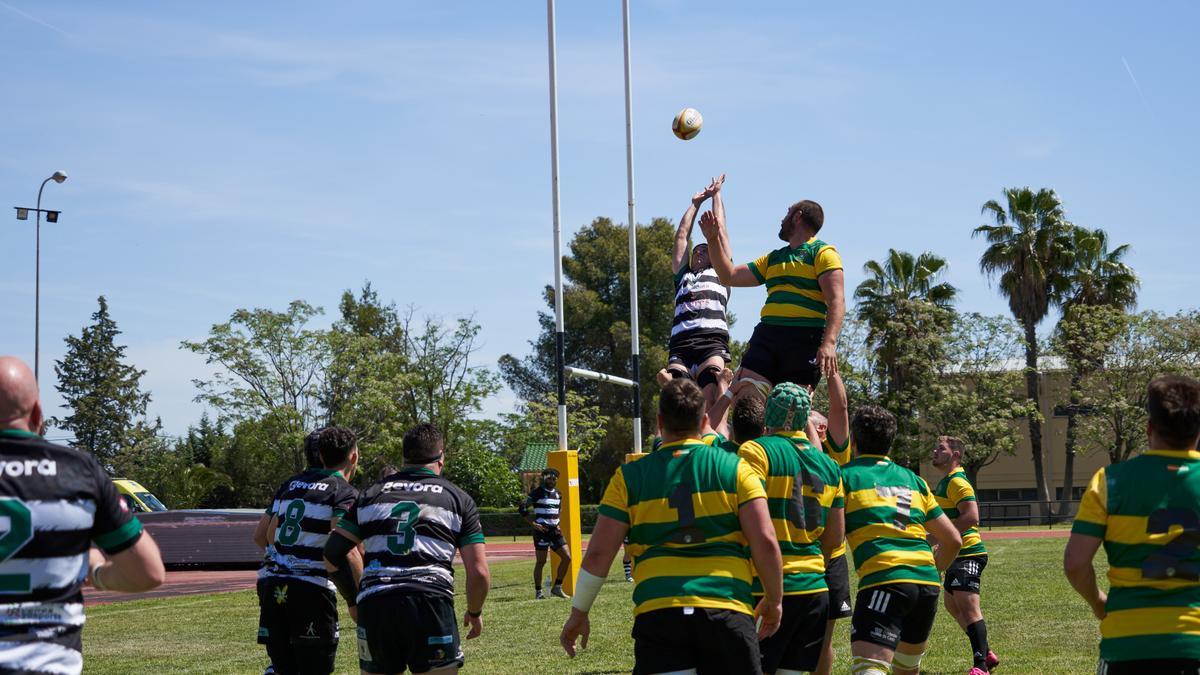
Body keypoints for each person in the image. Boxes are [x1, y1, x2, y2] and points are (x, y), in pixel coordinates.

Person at [559, 378, 784, 674]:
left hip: (660, 613)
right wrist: (774, 600)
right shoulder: (736, 468)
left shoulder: (629, 477)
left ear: (659, 422)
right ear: (704, 420)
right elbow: (765, 541)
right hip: (726, 610)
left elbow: (599, 553)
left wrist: (579, 612)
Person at [0, 356, 165, 674]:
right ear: (37, 412)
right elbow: (148, 572)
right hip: (50, 662)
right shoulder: (79, 472)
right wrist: (99, 573)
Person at [325, 423, 490, 675]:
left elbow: (333, 551)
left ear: (404, 457)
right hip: (430, 602)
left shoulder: (370, 494)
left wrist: (354, 597)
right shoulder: (458, 499)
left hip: (376, 604)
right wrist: (474, 611)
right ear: (441, 457)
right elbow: (478, 572)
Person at [1065, 374, 1200, 675]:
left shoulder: (1110, 481)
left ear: (1149, 428)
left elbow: (1075, 564)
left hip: (1127, 645)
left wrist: (1098, 602)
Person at [841, 405, 962, 675]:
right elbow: (953, 540)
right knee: (906, 670)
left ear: (854, 439)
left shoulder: (845, 476)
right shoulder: (913, 480)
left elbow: (833, 535)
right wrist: (933, 568)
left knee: (869, 669)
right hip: (927, 585)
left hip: (886, 580)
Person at [738, 383, 845, 674]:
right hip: (814, 588)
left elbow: (747, 514)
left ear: (768, 414)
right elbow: (835, 537)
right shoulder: (829, 465)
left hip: (767, 587)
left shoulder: (756, 451)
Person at [698, 196, 845, 394]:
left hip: (804, 338)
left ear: (797, 217)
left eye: (787, 213)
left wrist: (829, 343)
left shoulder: (823, 253)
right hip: (767, 334)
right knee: (745, 398)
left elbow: (837, 300)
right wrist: (713, 239)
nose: (782, 219)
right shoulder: (773, 258)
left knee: (790, 406)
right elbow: (728, 275)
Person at [257, 426, 360, 675]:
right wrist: (357, 599)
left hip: (272, 585)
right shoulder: (342, 492)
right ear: (353, 456)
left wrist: (290, 554)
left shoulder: (289, 485)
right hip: (311, 590)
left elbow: (263, 537)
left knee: (284, 668)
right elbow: (344, 548)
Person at [658, 174, 733, 413]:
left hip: (710, 341)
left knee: (710, 395)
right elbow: (681, 236)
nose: (699, 252)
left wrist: (716, 195)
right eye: (696, 251)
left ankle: (712, 440)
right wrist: (695, 203)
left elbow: (719, 233)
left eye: (704, 249)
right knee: (676, 399)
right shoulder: (683, 277)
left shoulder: (722, 274)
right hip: (681, 344)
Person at [932, 436, 1000, 675]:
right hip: (956, 554)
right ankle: (987, 652)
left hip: (968, 552)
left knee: (969, 609)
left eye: (941, 448)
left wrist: (946, 538)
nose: (935, 451)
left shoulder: (957, 482)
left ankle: (981, 666)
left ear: (956, 455)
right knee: (952, 605)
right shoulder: (946, 481)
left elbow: (971, 516)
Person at [808, 372, 853, 675]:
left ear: (821, 428)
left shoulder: (835, 453)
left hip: (830, 556)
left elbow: (840, 409)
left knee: (823, 641)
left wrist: (832, 371)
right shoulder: (785, 448)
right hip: (797, 554)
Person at [521, 468, 570, 599]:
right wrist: (533, 523)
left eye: (554, 478)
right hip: (541, 531)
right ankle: (539, 592)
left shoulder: (559, 494)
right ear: (544, 478)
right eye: (549, 478)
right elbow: (522, 507)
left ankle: (557, 587)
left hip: (555, 531)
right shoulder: (537, 493)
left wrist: (557, 523)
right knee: (541, 562)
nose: (552, 480)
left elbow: (558, 510)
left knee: (567, 557)